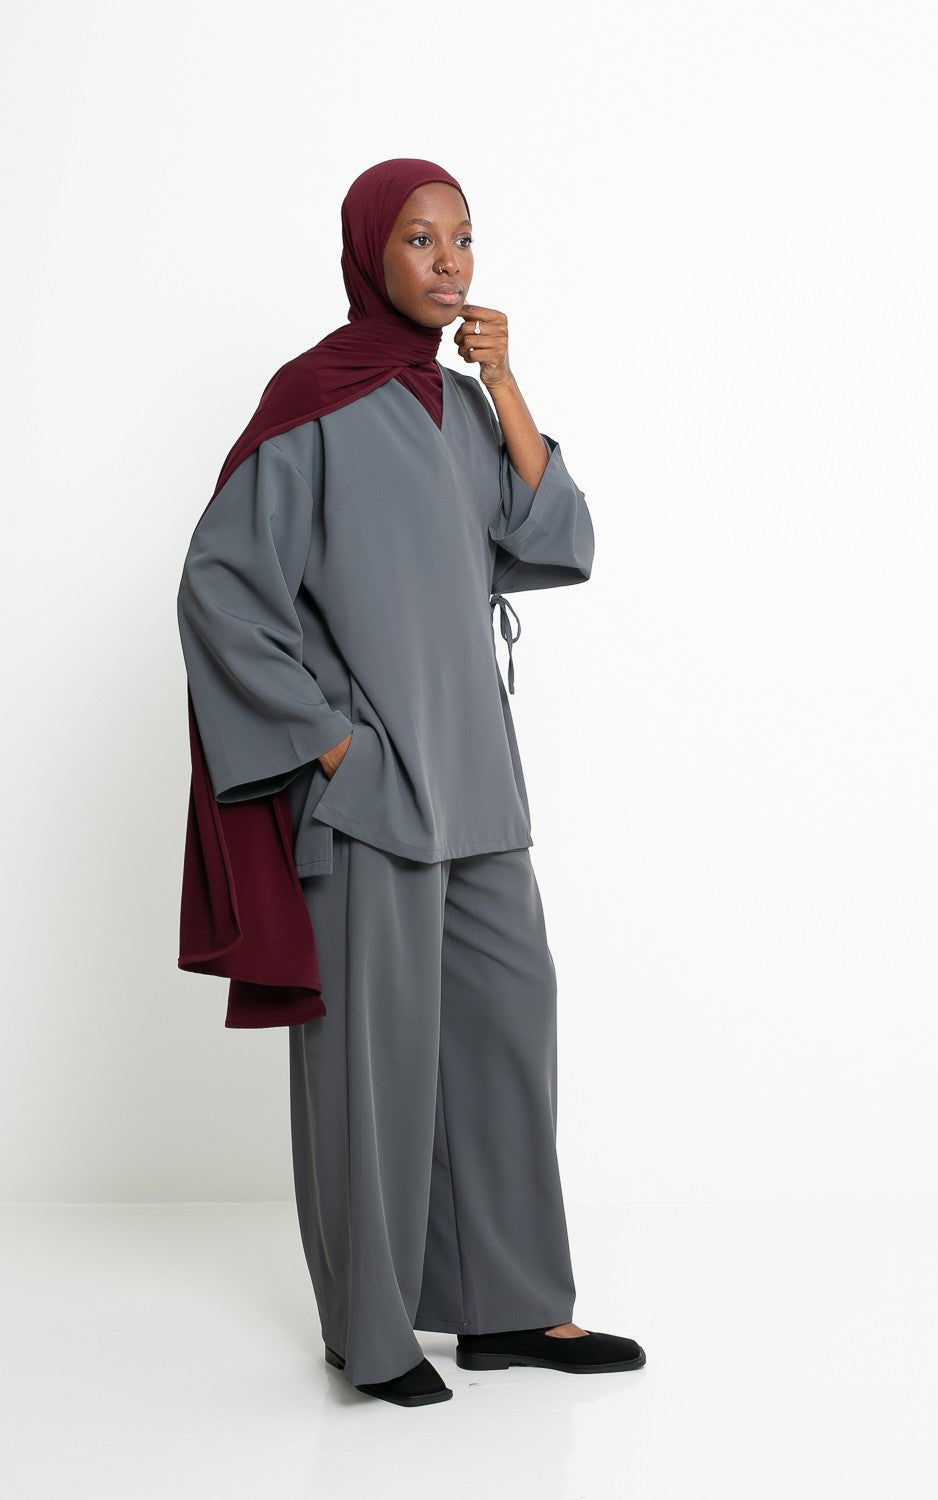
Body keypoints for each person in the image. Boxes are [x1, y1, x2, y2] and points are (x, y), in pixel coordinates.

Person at [176, 157, 645, 1408]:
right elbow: (220, 590)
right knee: (369, 1072)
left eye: (464, 240)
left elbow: (558, 540)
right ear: (370, 253)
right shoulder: (312, 405)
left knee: (506, 1036)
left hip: (478, 787)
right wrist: (332, 744)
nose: (450, 263)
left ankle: (512, 1309)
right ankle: (373, 1335)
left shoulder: (464, 408)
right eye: (422, 240)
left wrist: (506, 381)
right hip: (374, 796)